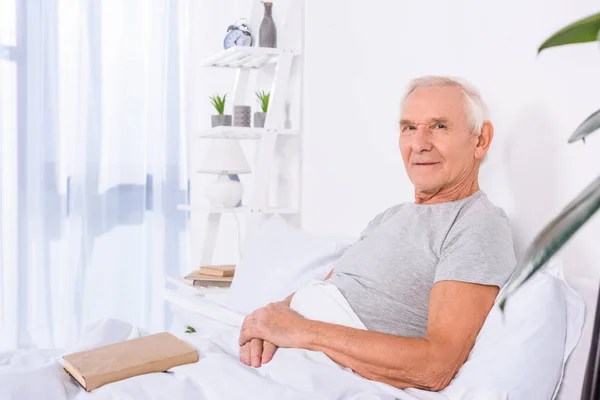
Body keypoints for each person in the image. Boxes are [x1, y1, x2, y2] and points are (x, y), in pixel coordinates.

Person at [238, 76, 516, 391]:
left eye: (439, 126)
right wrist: (266, 323)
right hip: (281, 356)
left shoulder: (477, 223)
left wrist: (301, 331)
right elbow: (328, 288)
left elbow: (437, 365)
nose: (420, 143)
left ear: (480, 140)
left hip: (321, 369)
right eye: (409, 127)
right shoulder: (390, 216)